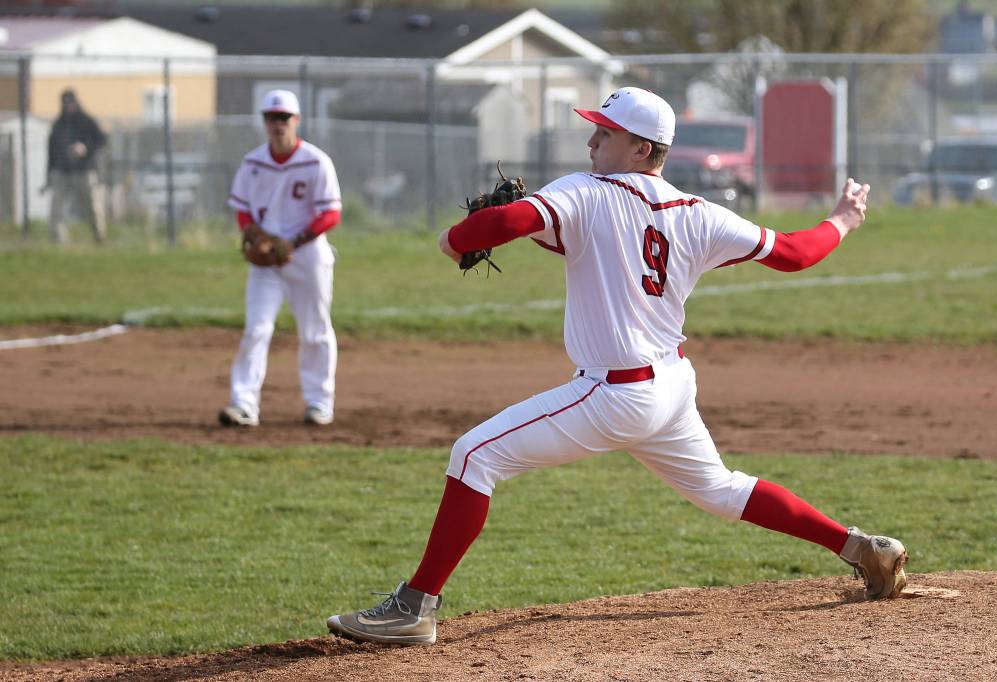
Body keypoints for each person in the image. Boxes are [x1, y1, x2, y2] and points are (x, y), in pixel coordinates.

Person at [326, 87, 907, 646]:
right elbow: (795, 254)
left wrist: (456, 237)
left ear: (639, 149)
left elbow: (504, 225)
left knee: (474, 456)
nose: (590, 143)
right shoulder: (698, 212)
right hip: (672, 388)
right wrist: (843, 220)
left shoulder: (588, 190)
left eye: (604, 133)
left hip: (616, 394)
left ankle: (414, 608)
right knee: (722, 489)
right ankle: (862, 548)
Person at [218, 89, 342, 428]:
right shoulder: (253, 162)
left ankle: (319, 403)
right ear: (264, 122)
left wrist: (295, 241)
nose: (277, 124)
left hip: (309, 256)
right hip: (267, 261)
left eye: (284, 117)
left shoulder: (316, 161)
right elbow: (242, 210)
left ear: (296, 120)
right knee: (256, 329)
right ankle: (243, 404)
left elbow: (331, 213)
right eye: (272, 118)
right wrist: (256, 237)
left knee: (314, 331)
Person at [43, 89, 107, 244]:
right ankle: (58, 240)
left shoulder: (86, 121)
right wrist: (49, 174)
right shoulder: (58, 124)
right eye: (65, 103)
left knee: (93, 207)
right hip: (62, 172)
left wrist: (85, 147)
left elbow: (102, 140)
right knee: (56, 207)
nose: (68, 106)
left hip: (84, 171)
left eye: (71, 103)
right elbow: (51, 150)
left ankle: (99, 237)